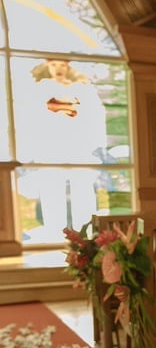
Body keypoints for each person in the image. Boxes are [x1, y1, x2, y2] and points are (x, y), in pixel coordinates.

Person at [15, 58, 107, 234]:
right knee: (51, 188)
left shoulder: (81, 90)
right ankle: (55, 231)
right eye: (54, 65)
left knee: (82, 188)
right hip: (51, 148)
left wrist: (93, 142)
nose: (59, 69)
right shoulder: (40, 90)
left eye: (62, 65)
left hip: (78, 147)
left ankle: (85, 233)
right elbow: (30, 118)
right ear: (47, 66)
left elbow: (93, 116)